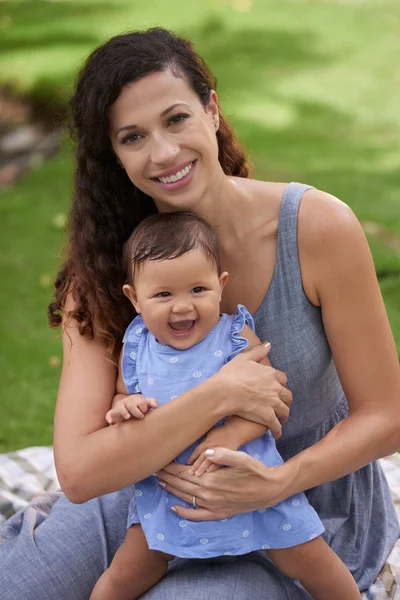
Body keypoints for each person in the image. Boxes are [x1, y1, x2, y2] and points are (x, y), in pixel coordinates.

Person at [0, 26, 399, 600]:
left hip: (296, 509)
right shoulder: (108, 267)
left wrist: (275, 482)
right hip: (150, 492)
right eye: (132, 136)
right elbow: (82, 472)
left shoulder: (315, 228)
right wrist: (221, 394)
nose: (162, 152)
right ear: (113, 154)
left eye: (176, 119)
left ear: (211, 110)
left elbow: (386, 414)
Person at [89, 211, 360, 600]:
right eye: (163, 294)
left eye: (197, 290)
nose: (182, 307)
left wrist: (231, 434)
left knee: (309, 558)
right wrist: (124, 407)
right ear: (134, 298)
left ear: (221, 285)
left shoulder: (234, 337)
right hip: (170, 495)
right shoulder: (137, 347)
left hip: (250, 483)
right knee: (126, 572)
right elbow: (123, 392)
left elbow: (269, 402)